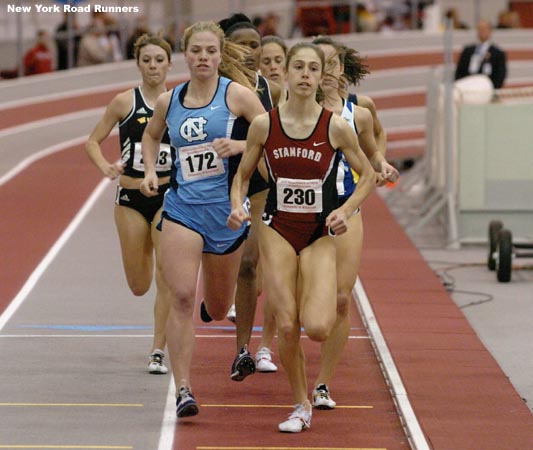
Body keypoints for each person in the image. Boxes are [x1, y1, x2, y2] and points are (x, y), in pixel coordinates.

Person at [228, 42, 375, 432]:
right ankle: (301, 404)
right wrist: (237, 205)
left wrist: (344, 209)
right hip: (277, 227)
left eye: (314, 68)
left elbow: (369, 175)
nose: (307, 74)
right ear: (288, 75)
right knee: (289, 325)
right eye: (300, 67)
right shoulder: (265, 125)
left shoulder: (336, 127)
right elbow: (243, 174)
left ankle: (315, 382)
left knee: (318, 326)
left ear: (320, 75)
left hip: (319, 231)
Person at [140, 21, 265, 418]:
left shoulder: (238, 96)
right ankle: (183, 390)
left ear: (220, 53)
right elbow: (151, 135)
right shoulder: (169, 100)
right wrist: (148, 171)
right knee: (179, 296)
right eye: (196, 51)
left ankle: (216, 306)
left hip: (226, 214)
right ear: (186, 55)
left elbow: (274, 135)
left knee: (216, 303)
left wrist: (241, 144)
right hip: (182, 209)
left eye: (211, 51)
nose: (203, 58)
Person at [311, 36, 399, 409]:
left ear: (342, 69)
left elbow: (374, 137)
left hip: (346, 210)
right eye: (319, 64)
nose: (327, 72)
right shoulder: (290, 107)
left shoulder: (359, 110)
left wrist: (380, 163)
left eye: (332, 63)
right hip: (300, 214)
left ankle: (322, 384)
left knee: (342, 300)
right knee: (299, 308)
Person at [85, 34, 174, 375]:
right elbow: (92, 142)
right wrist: (106, 167)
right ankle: (146, 250)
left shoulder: (179, 101)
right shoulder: (124, 102)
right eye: (147, 60)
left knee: (167, 277)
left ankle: (157, 350)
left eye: (159, 60)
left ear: (169, 63)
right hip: (130, 199)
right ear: (138, 64)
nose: (153, 66)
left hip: (168, 197)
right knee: (139, 285)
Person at [215, 14, 282, 378]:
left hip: (257, 185)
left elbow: (277, 136)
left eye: (255, 45)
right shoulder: (212, 85)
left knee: (249, 264)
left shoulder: (271, 91)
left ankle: (244, 349)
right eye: (242, 45)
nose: (251, 52)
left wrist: (242, 145)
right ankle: (215, 301)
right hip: (212, 185)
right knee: (216, 267)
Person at [455, 20, 507, 89]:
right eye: (479, 29)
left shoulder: (497, 53)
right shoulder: (467, 50)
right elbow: (459, 71)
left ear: (490, 31)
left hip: (486, 89)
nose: (481, 32)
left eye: (484, 29)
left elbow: (500, 75)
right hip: (468, 87)